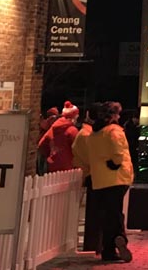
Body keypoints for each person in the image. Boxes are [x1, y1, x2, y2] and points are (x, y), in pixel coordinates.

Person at [84, 101, 134, 263]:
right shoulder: (114, 131)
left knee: (107, 215)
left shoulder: (93, 133)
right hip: (116, 177)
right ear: (112, 116)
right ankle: (119, 238)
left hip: (99, 179)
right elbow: (118, 151)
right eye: (117, 114)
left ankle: (109, 249)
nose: (119, 117)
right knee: (115, 214)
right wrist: (116, 162)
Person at [71, 105, 100, 253]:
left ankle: (92, 243)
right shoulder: (86, 135)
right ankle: (91, 243)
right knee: (90, 212)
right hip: (88, 174)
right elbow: (91, 157)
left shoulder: (86, 133)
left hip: (88, 173)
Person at [37, 101, 80, 173]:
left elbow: (42, 144)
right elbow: (79, 149)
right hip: (68, 167)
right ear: (73, 117)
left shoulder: (53, 128)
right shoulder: (72, 130)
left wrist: (50, 155)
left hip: (52, 165)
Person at [37, 107, 59, 175]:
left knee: (41, 164)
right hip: (45, 148)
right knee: (43, 164)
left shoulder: (46, 123)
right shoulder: (51, 121)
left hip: (43, 147)